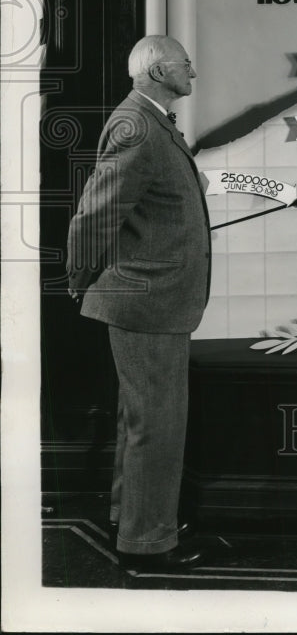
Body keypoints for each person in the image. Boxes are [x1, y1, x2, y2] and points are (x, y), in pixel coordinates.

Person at [67, 35, 212, 571]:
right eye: (184, 65)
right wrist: (80, 274)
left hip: (154, 298)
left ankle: (129, 521)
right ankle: (149, 546)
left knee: (143, 418)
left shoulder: (153, 121)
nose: (193, 72)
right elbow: (95, 213)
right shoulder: (137, 126)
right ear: (156, 70)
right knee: (158, 422)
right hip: (146, 301)